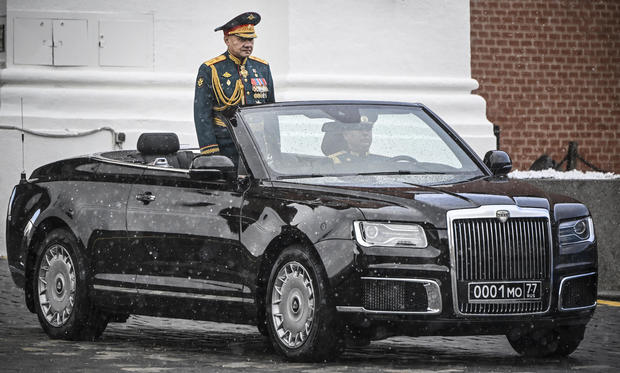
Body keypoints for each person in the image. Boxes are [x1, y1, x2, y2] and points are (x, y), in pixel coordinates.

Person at [193, 12, 275, 161]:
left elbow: (271, 112)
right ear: (227, 40)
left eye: (251, 39)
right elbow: (202, 115)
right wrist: (211, 153)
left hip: (258, 146)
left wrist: (275, 149)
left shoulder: (262, 67)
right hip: (227, 147)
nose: (248, 44)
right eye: (242, 39)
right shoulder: (211, 69)